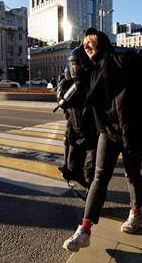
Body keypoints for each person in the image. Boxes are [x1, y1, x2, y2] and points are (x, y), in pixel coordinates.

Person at [62, 28, 142, 252]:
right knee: (100, 177)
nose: (86, 46)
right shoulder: (89, 70)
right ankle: (85, 229)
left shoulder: (123, 60)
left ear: (101, 42)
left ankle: (136, 212)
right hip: (108, 131)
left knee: (132, 174)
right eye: (84, 44)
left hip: (132, 132)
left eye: (90, 42)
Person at [57, 46, 97, 189]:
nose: (75, 69)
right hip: (74, 128)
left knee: (90, 168)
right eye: (73, 65)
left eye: (77, 65)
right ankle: (71, 172)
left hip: (92, 132)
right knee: (72, 163)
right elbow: (61, 99)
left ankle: (90, 191)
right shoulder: (68, 80)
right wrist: (71, 85)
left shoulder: (94, 80)